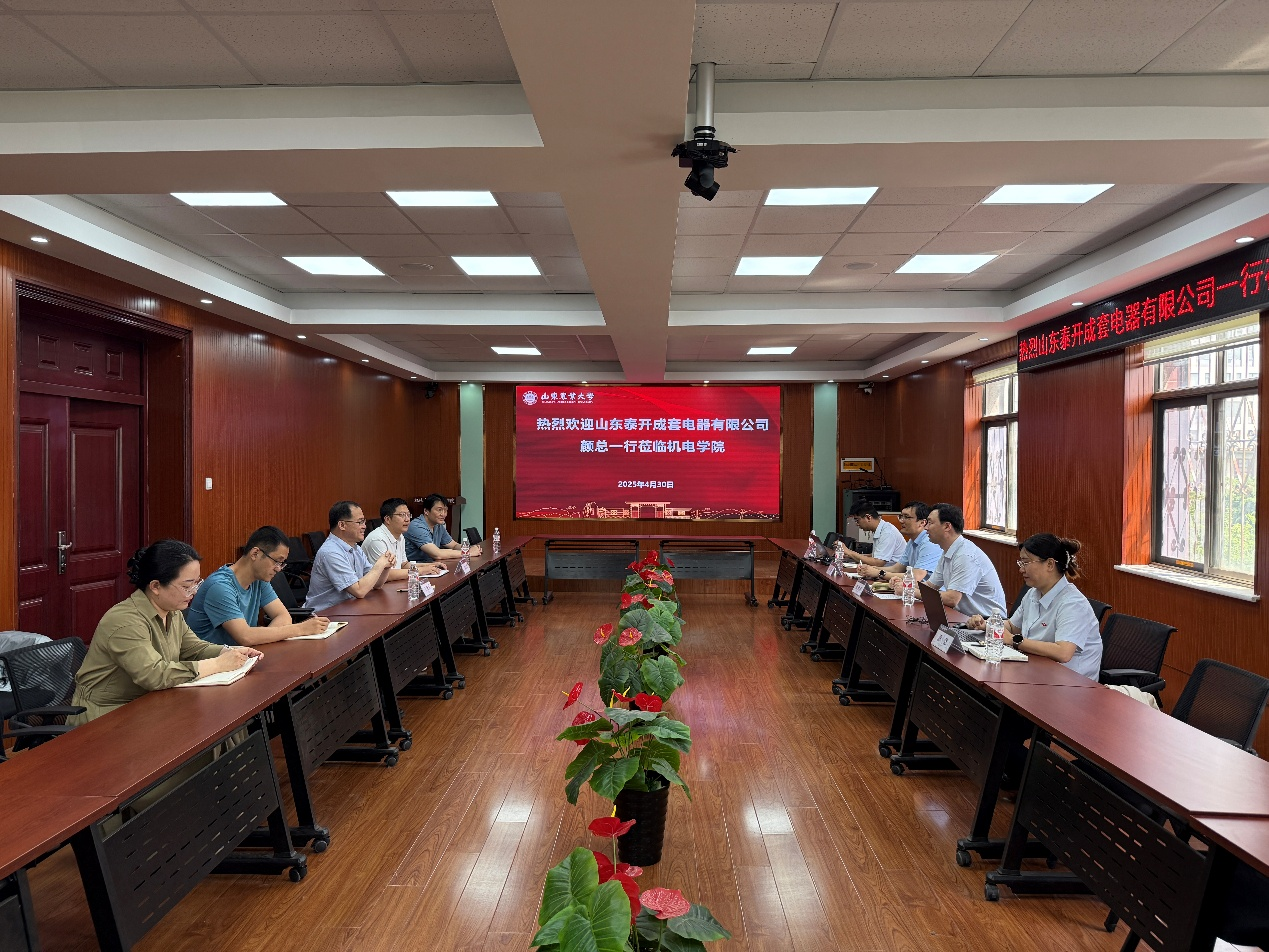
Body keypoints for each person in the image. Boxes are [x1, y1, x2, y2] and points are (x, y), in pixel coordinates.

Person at [70, 540, 261, 723]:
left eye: (197, 583)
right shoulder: (124, 621)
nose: (194, 592)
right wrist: (218, 664)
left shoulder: (172, 612)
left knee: (220, 717)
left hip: (148, 703)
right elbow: (154, 675)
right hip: (106, 714)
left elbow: (194, 648)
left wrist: (229, 652)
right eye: (186, 586)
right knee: (203, 724)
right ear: (156, 586)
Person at [966, 534, 1102, 679]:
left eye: (1026, 563)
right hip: (1036, 670)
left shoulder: (1073, 603)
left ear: (1050, 564)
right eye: (1021, 563)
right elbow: (1012, 626)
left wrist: (1013, 640)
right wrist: (988, 625)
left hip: (1069, 683)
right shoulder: (1033, 593)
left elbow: (1063, 653)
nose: (1021, 570)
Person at [186, 526, 331, 646]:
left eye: (282, 563)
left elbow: (283, 616)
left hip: (241, 658)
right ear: (255, 553)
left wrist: (263, 637)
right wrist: (300, 629)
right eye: (277, 561)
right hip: (211, 664)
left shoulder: (259, 580)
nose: (279, 569)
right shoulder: (220, 586)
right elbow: (245, 637)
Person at [305, 500, 397, 613]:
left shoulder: (356, 548)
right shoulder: (331, 552)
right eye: (360, 522)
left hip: (349, 609)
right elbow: (359, 591)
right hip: (326, 615)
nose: (364, 526)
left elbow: (377, 584)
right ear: (342, 525)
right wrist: (379, 564)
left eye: (364, 521)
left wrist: (386, 567)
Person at [925, 502, 1007, 617]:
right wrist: (905, 585)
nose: (926, 528)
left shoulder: (966, 555)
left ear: (947, 526)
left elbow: (952, 599)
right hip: (964, 618)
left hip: (987, 622)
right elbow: (930, 586)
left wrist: (913, 591)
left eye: (930, 523)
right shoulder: (948, 550)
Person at [859, 501, 943, 582]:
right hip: (913, 588)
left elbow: (916, 576)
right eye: (901, 516)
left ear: (922, 523)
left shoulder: (929, 542)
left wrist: (879, 573)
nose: (901, 521)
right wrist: (870, 569)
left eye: (906, 517)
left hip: (927, 590)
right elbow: (896, 569)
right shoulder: (912, 541)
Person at [362, 499, 444, 581]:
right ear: (387, 519)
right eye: (402, 515)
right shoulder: (377, 539)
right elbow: (386, 575)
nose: (407, 519)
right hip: (377, 587)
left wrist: (430, 565)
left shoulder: (400, 536)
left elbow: (404, 565)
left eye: (408, 515)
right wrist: (421, 571)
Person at [405, 494, 481, 562]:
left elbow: (453, 545)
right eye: (439, 510)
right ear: (426, 511)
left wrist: (469, 548)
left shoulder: (438, 525)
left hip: (432, 565)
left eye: (445, 510)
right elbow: (437, 554)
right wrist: (468, 553)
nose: (443, 514)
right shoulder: (416, 526)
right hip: (415, 569)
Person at [841, 503, 906, 565]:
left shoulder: (887, 532)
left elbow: (878, 562)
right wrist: (851, 556)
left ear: (868, 517)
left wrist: (850, 552)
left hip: (894, 571)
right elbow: (876, 556)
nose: (856, 524)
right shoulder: (881, 529)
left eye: (857, 520)